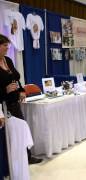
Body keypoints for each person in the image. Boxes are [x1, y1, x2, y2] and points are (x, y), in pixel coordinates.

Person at [0, 34, 42, 164]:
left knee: (21, 129)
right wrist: (5, 90)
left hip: (14, 103)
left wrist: (21, 90)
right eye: (5, 45)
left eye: (8, 45)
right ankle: (9, 163)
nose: (7, 48)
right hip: (2, 105)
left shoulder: (8, 60)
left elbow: (16, 79)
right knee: (8, 135)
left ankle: (26, 157)